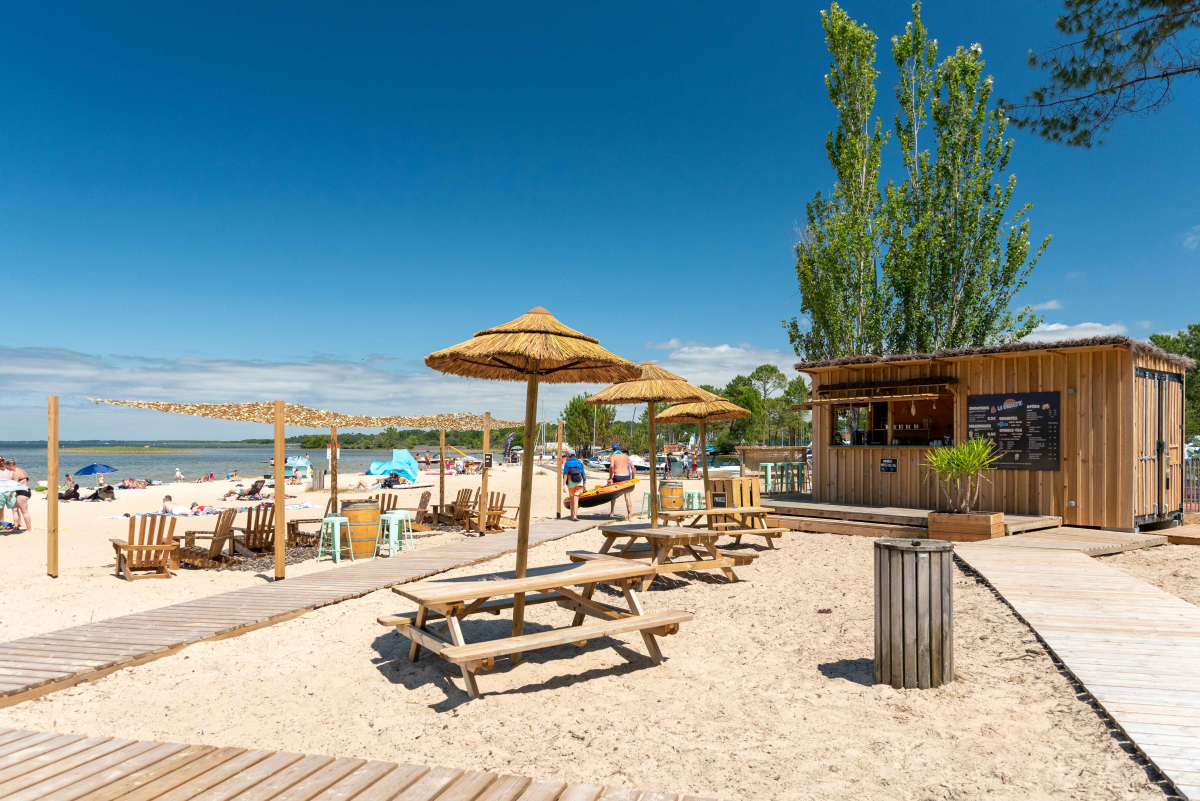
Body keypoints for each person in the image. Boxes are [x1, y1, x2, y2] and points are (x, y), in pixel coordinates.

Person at [607, 445, 634, 520]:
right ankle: (629, 516)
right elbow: (633, 468)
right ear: (619, 449)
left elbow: (612, 467)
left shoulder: (612, 456)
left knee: (613, 495)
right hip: (626, 477)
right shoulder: (626, 456)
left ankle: (612, 512)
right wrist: (633, 479)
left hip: (617, 476)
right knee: (627, 497)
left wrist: (610, 478)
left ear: (612, 450)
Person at [562, 448, 586, 522]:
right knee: (576, 499)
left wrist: (564, 485)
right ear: (575, 455)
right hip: (579, 483)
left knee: (571, 499)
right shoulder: (579, 462)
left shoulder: (567, 463)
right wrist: (584, 484)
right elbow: (583, 474)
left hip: (571, 483)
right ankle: (575, 516)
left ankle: (572, 516)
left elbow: (565, 475)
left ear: (568, 456)